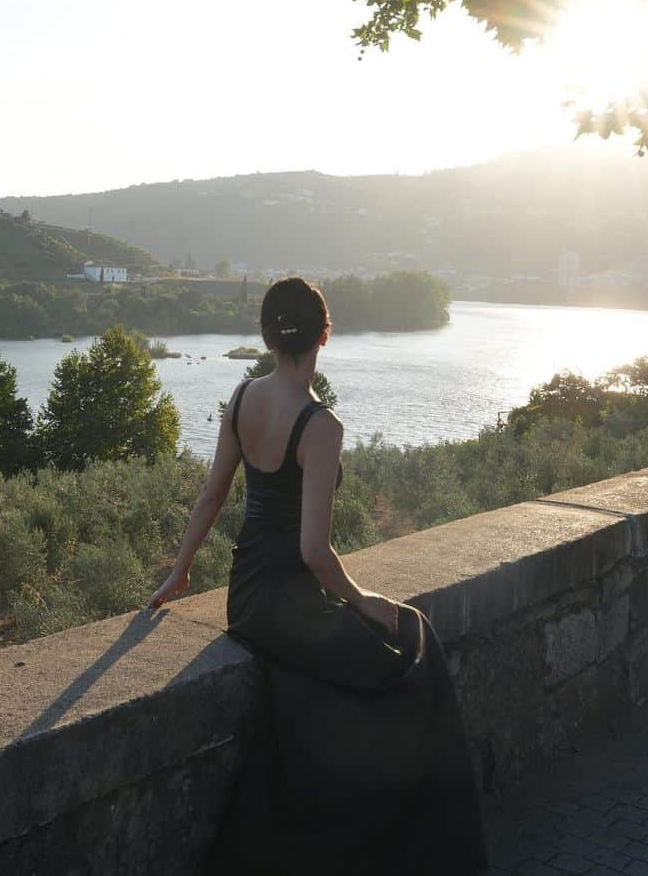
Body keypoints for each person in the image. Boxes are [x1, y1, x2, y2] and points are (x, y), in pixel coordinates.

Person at [148, 276, 487, 874]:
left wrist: (180, 573)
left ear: (267, 336)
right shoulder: (321, 426)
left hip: (245, 601)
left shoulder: (242, 397)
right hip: (292, 611)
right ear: (324, 336)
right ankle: (427, 850)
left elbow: (210, 496)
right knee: (412, 643)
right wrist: (362, 602)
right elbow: (313, 552)